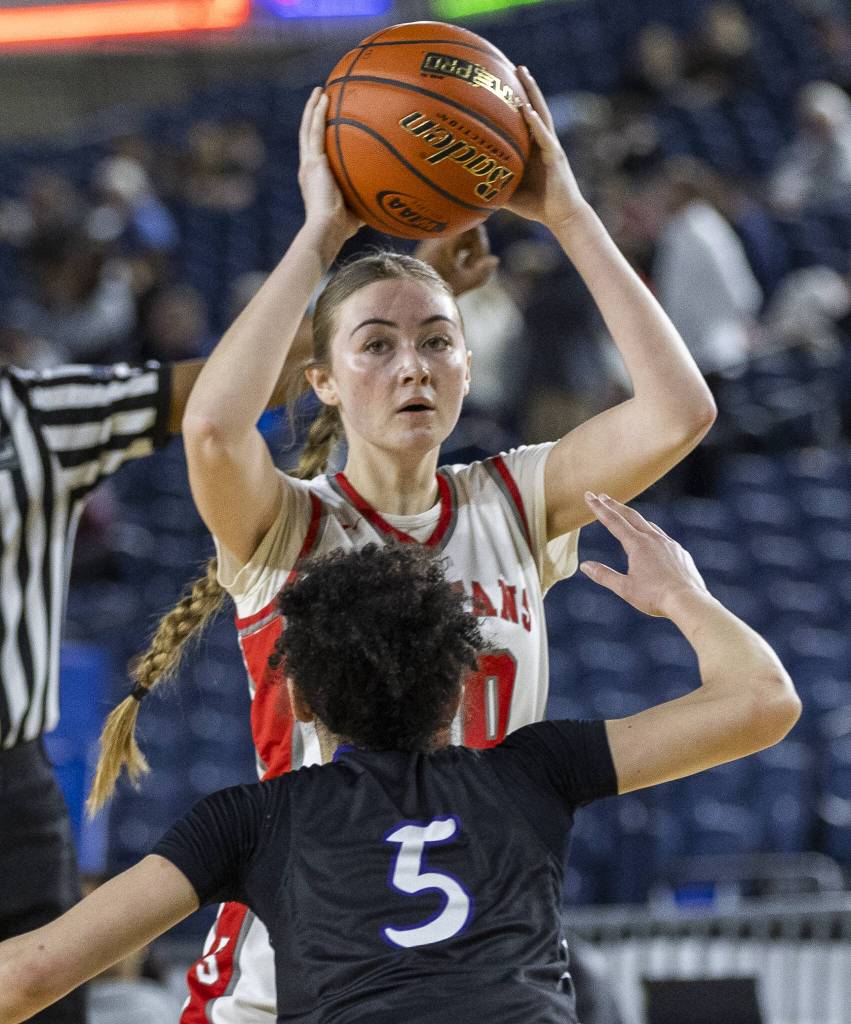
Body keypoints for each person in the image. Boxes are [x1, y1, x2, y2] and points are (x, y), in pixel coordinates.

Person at [89, 69, 717, 1021]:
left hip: (477, 935)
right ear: (324, 381)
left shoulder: (513, 497)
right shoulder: (288, 524)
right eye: (375, 345)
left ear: (468, 363)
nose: (412, 364)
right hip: (294, 954)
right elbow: (214, 430)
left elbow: (680, 410)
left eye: (436, 340)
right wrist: (320, 236)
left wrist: (569, 214)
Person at [0, 495, 802, 1024]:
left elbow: (29, 978)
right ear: (464, 682)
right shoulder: (534, 769)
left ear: (300, 702)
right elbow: (762, 702)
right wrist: (679, 598)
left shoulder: (248, 820)